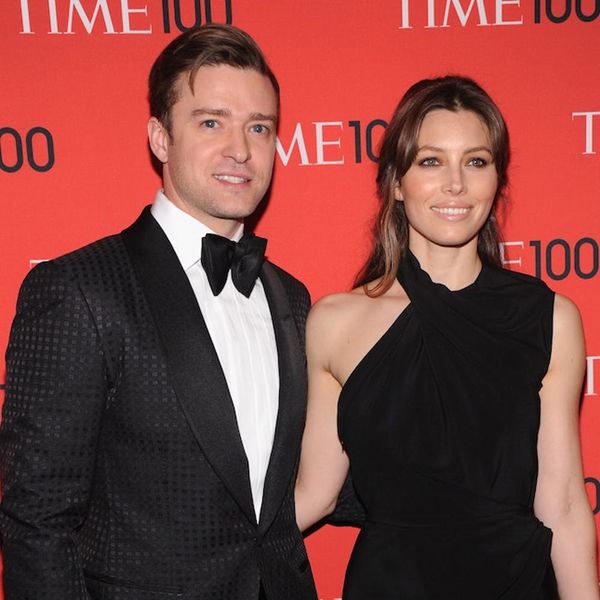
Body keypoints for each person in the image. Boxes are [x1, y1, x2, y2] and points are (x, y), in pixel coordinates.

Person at [0, 24, 317, 600]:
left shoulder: (289, 297)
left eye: (259, 127)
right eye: (211, 122)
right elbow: (38, 519)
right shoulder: (79, 290)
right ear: (160, 138)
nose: (241, 150)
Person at [295, 76, 599, 599]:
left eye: (476, 161)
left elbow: (564, 503)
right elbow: (315, 494)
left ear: (497, 179)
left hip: (516, 584)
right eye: (431, 161)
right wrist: (201, 548)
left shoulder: (549, 318)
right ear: (396, 182)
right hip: (389, 586)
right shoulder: (335, 321)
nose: (456, 184)